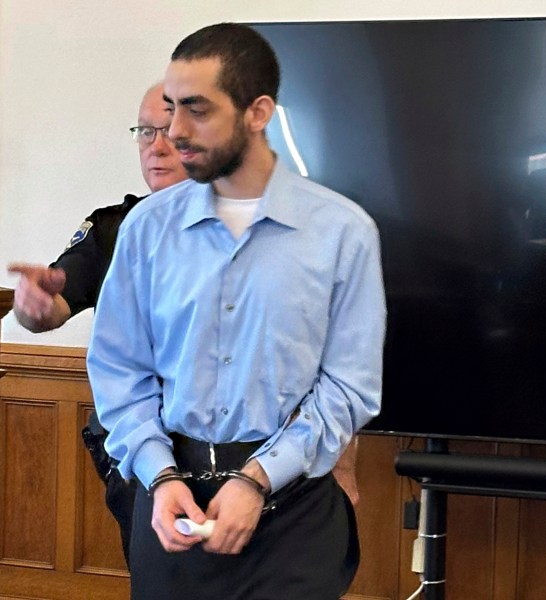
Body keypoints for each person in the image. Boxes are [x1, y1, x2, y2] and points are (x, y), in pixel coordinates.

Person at [86, 22, 386, 600]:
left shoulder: (343, 232)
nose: (173, 132)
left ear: (257, 111)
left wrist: (256, 479)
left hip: (293, 509)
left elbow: (348, 386)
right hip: (170, 500)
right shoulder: (147, 229)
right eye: (171, 109)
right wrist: (159, 474)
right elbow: (120, 370)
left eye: (196, 110)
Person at [8, 82, 187, 562]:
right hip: (140, 451)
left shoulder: (249, 229)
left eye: (170, 131)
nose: (157, 146)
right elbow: (46, 309)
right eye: (145, 132)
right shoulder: (114, 229)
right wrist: (35, 305)